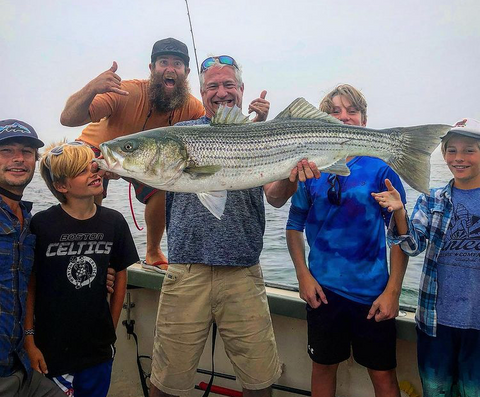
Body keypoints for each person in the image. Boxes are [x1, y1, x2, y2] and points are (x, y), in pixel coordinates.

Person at [149, 55, 281, 397]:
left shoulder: (262, 135)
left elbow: (277, 198)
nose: (221, 92)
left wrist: (293, 176)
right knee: (166, 384)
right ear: (202, 92)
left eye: (228, 85)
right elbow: (148, 176)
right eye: (212, 86)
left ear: (241, 90)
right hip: (186, 272)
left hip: (243, 273)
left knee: (260, 382)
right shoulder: (178, 136)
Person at [266, 84, 408, 397]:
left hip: (373, 295)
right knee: (322, 370)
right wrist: (302, 276)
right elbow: (294, 225)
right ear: (322, 120)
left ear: (364, 119)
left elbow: (400, 236)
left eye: (352, 111)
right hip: (323, 293)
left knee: (383, 375)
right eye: (334, 112)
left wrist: (392, 293)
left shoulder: (380, 169)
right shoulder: (309, 169)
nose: (344, 117)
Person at [60, 37, 205, 269]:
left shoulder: (193, 107)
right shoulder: (126, 92)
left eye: (177, 64)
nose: (170, 69)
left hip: (151, 159)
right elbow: (67, 118)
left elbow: (214, 134)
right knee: (88, 170)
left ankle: (153, 251)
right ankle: (89, 244)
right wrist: (92, 88)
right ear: (151, 69)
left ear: (186, 72)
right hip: (104, 151)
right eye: (163, 62)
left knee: (167, 185)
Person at [372, 118, 480, 397]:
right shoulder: (432, 199)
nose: (459, 158)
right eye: (451, 150)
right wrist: (399, 211)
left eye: (469, 150)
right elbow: (412, 246)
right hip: (436, 323)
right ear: (443, 154)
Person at [23, 141, 139, 396]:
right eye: (81, 171)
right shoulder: (42, 224)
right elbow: (31, 282)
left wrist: (111, 325)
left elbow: (120, 274)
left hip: (97, 349)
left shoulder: (114, 221)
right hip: (51, 348)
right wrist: (30, 341)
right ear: (61, 186)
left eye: (92, 166)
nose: (94, 172)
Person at [0, 119, 65, 397]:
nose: (18, 159)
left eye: (27, 151)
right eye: (7, 151)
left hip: (20, 365)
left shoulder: (27, 220)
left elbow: (26, 282)